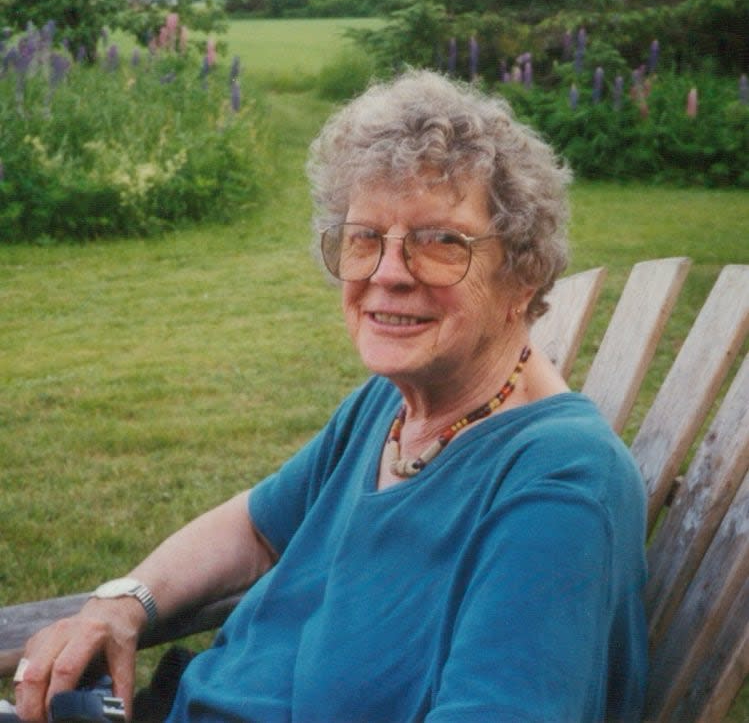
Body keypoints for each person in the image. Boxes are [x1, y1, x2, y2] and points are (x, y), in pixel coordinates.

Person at [13, 70, 648, 722]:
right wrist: (121, 603)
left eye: (439, 243)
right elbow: (256, 526)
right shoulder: (390, 407)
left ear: (523, 273)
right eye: (363, 238)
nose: (387, 272)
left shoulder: (558, 488)